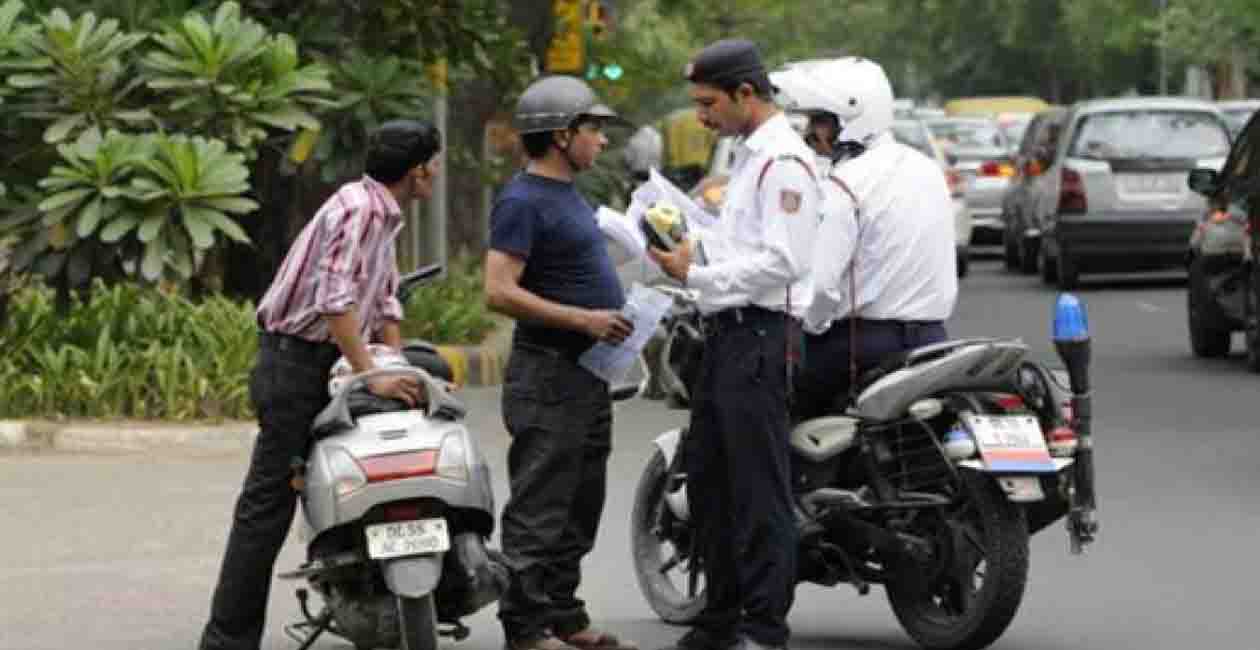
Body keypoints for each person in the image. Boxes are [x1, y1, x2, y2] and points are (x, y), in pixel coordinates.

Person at [198, 119, 441, 650]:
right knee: (267, 510)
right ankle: (225, 643)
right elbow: (335, 302)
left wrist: (393, 362)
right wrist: (372, 376)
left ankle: (371, 595)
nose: (436, 174)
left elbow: (383, 299)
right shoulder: (358, 209)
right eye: (433, 164)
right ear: (418, 169)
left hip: (328, 362)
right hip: (295, 368)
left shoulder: (382, 213)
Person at [648, 39, 821, 650]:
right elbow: (744, 243)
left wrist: (696, 274)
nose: (702, 117)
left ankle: (763, 626)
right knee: (711, 483)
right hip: (724, 335)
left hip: (759, 336)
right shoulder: (750, 158)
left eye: (708, 103)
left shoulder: (785, 163)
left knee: (757, 488)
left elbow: (785, 261)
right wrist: (694, 246)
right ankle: (718, 616)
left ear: (746, 93)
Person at [483, 75, 638, 650]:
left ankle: (563, 614)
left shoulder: (569, 195)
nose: (600, 140)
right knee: (540, 508)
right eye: (592, 129)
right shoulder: (522, 200)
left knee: (581, 502)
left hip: (588, 375)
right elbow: (498, 291)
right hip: (547, 373)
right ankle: (523, 629)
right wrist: (584, 321)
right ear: (559, 135)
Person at [773, 57, 958, 421]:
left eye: (820, 120)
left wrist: (804, 325)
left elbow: (823, 289)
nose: (810, 132)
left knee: (772, 408)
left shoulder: (846, 184)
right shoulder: (926, 168)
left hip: (860, 345)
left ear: (851, 120)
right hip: (934, 340)